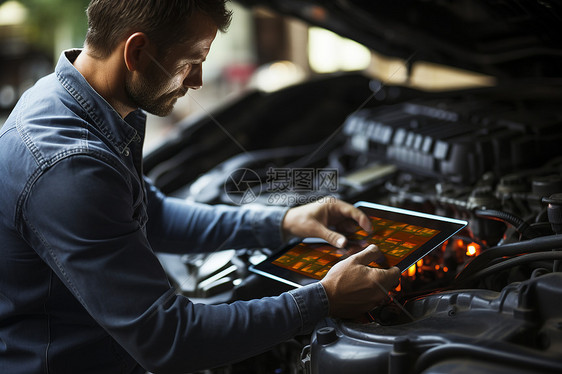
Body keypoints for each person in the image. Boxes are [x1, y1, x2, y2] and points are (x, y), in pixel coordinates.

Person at [0, 1, 400, 373]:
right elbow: (168, 338)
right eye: (191, 62)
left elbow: (155, 215)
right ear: (136, 52)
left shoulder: (67, 100)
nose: (198, 79)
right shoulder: (70, 166)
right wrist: (323, 299)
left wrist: (285, 221)